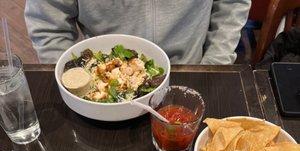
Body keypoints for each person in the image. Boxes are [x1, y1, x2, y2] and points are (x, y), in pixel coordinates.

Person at [25, 0, 251, 64]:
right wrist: (79, 81)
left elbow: (231, 4)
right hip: (105, 82)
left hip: (191, 70)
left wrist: (214, 65)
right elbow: (48, 25)